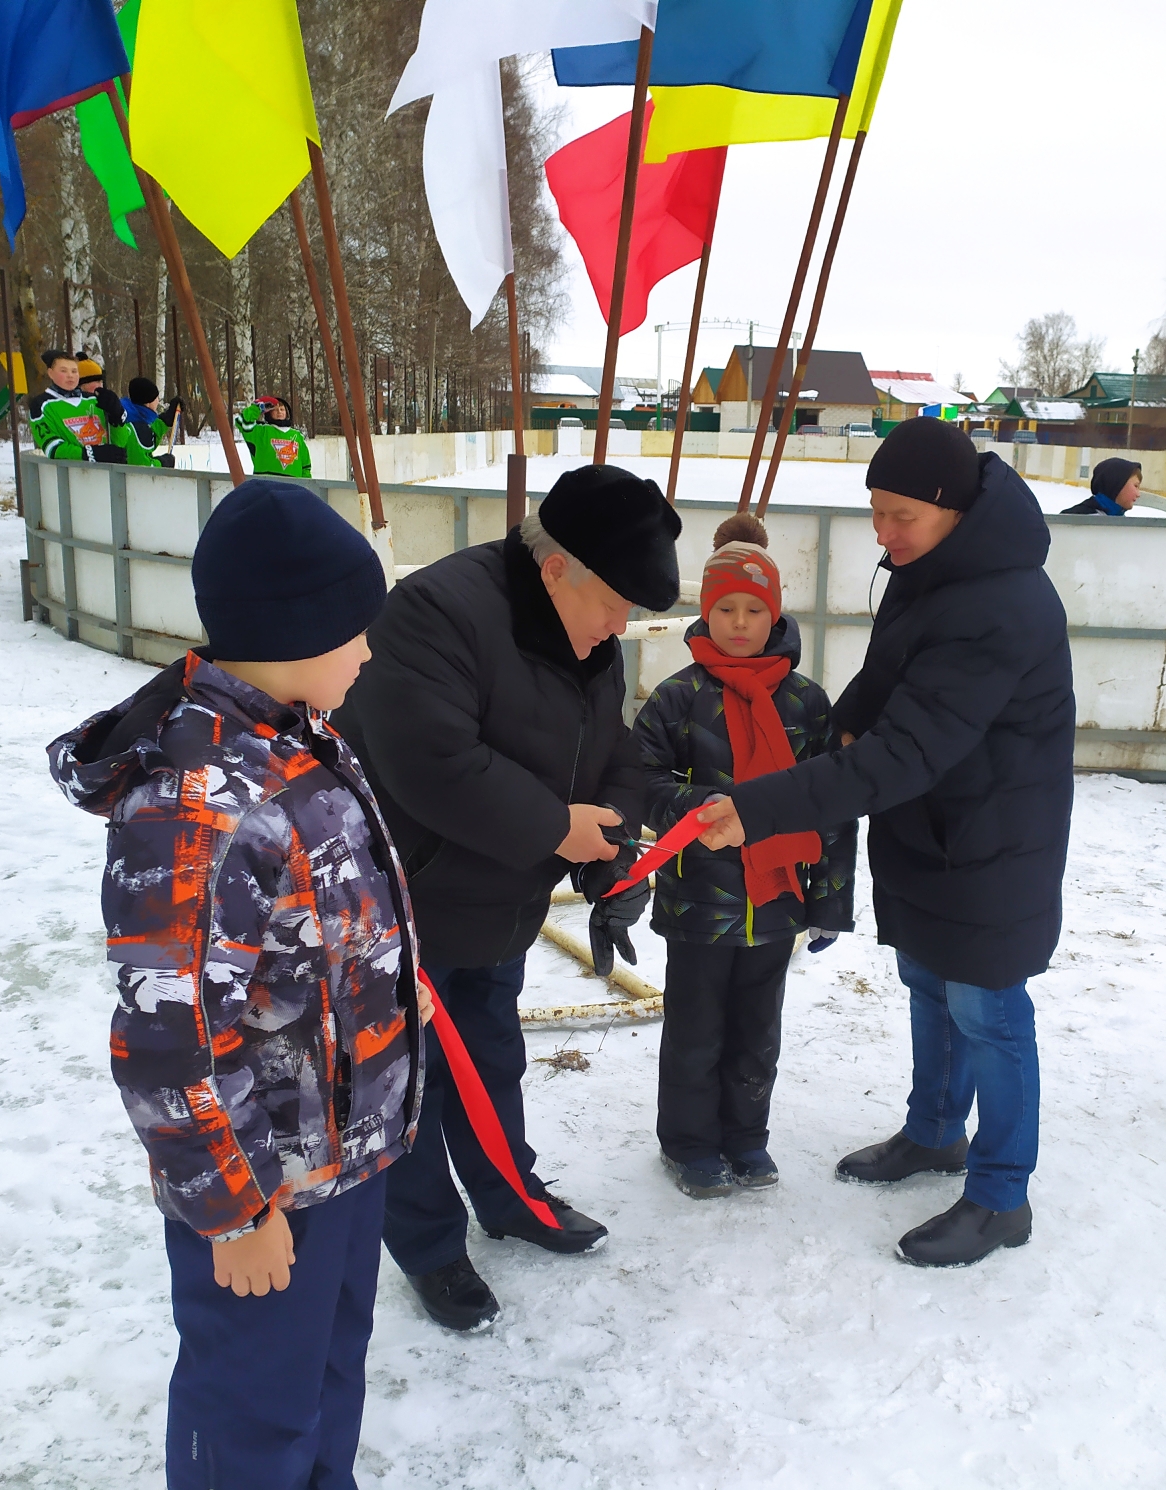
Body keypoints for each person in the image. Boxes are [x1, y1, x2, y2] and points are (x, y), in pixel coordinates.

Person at [46, 478, 421, 1490]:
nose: (369, 651)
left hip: (340, 1159)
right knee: (252, 1405)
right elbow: (168, 1043)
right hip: (263, 1188)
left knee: (327, 1372)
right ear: (296, 629)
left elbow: (324, 928)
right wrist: (231, 1211)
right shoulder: (202, 811)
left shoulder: (296, 736)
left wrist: (389, 1003)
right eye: (357, 629)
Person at [693, 416, 1073, 1269]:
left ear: (952, 510)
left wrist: (764, 805)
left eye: (901, 514)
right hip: (932, 824)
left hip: (991, 838)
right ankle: (935, 1133)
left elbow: (909, 747)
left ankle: (1001, 1193)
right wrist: (829, 737)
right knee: (930, 982)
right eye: (876, 510)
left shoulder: (1001, 602)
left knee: (989, 1009)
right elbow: (886, 686)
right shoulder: (928, 570)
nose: (883, 531)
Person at [329, 465, 680, 1330]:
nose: (621, 627)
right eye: (615, 603)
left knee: (490, 1060)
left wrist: (608, 848)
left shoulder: (585, 634)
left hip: (498, 900)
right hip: (411, 900)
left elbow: (615, 755)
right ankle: (429, 1244)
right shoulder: (436, 613)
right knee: (410, 1082)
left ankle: (511, 1196)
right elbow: (432, 764)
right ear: (557, 566)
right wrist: (558, 828)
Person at [632, 515, 857, 1199]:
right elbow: (641, 781)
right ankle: (690, 1145)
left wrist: (831, 902)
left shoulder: (806, 703)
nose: (738, 622)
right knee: (696, 1032)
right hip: (701, 899)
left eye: (753, 609)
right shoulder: (678, 698)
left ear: (774, 613)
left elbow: (834, 803)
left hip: (779, 900)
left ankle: (746, 1139)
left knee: (758, 1034)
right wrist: (700, 809)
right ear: (705, 612)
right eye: (724, 608)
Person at [28, 348, 143, 465]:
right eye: (63, 371)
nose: (70, 376)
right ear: (50, 373)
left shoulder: (94, 400)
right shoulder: (42, 405)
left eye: (74, 371)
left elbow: (120, 443)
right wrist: (88, 454)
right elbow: (52, 447)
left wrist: (117, 417)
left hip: (105, 475)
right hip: (72, 476)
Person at [236, 392, 313, 478]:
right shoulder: (261, 431)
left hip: (292, 487)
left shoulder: (297, 435)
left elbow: (306, 467)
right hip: (266, 486)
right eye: (275, 410)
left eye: (282, 409)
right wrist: (257, 407)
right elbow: (242, 422)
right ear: (269, 413)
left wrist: (306, 485)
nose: (279, 412)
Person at [1062, 456, 1141, 515]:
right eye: (1136, 486)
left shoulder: (1121, 522)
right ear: (1117, 484)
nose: (1138, 494)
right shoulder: (1074, 519)